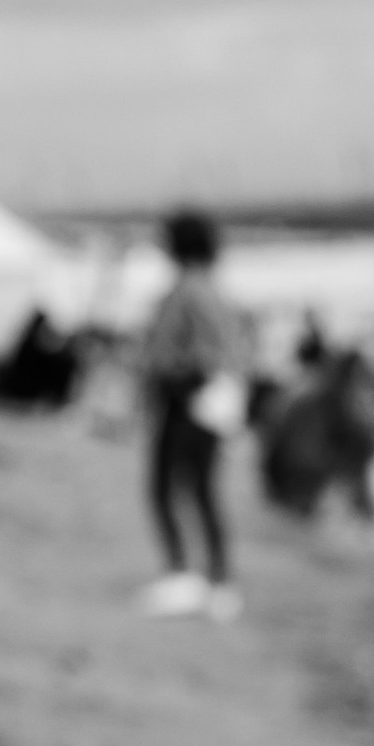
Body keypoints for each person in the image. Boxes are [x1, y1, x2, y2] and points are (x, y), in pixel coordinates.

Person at [139, 209, 247, 619]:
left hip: (187, 401)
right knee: (202, 491)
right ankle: (219, 580)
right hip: (209, 403)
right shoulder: (213, 288)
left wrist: (178, 373)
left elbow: (204, 350)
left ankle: (183, 575)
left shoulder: (189, 290)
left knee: (166, 488)